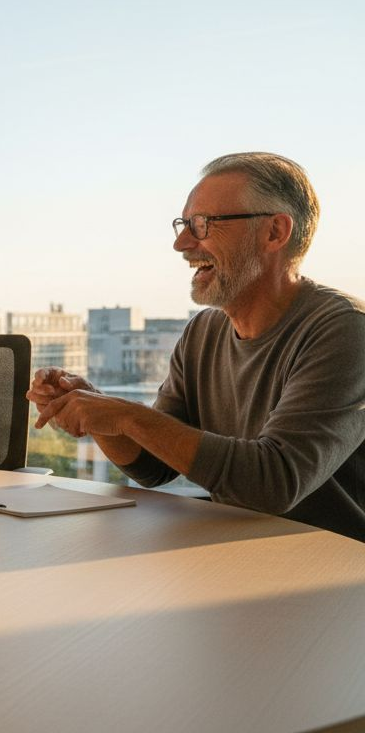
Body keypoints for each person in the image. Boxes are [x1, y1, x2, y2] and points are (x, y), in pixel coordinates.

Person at [29, 152, 365, 541]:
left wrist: (128, 415)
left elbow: (274, 483)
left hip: (334, 576)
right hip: (235, 553)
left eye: (203, 224)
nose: (181, 243)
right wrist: (95, 410)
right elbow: (154, 465)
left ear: (275, 232)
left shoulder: (345, 331)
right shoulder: (202, 331)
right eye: (184, 224)